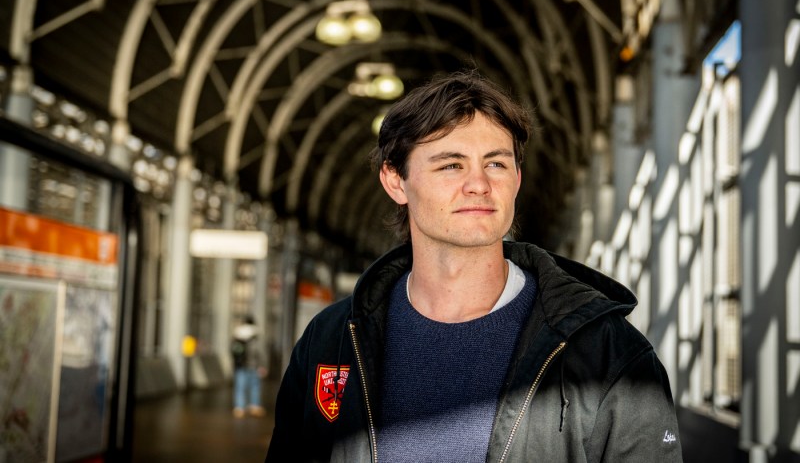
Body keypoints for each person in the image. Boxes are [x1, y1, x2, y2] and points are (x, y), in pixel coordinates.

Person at [265, 70, 683, 462]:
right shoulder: (331, 342)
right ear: (396, 181)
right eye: (451, 164)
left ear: (517, 180)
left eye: (496, 164)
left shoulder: (610, 354)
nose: (479, 184)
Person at [231, 315, 267, 418]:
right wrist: (263, 365)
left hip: (240, 365)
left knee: (240, 387)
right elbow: (261, 352)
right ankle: (254, 406)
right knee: (255, 387)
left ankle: (239, 408)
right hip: (254, 365)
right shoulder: (256, 334)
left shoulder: (237, 334)